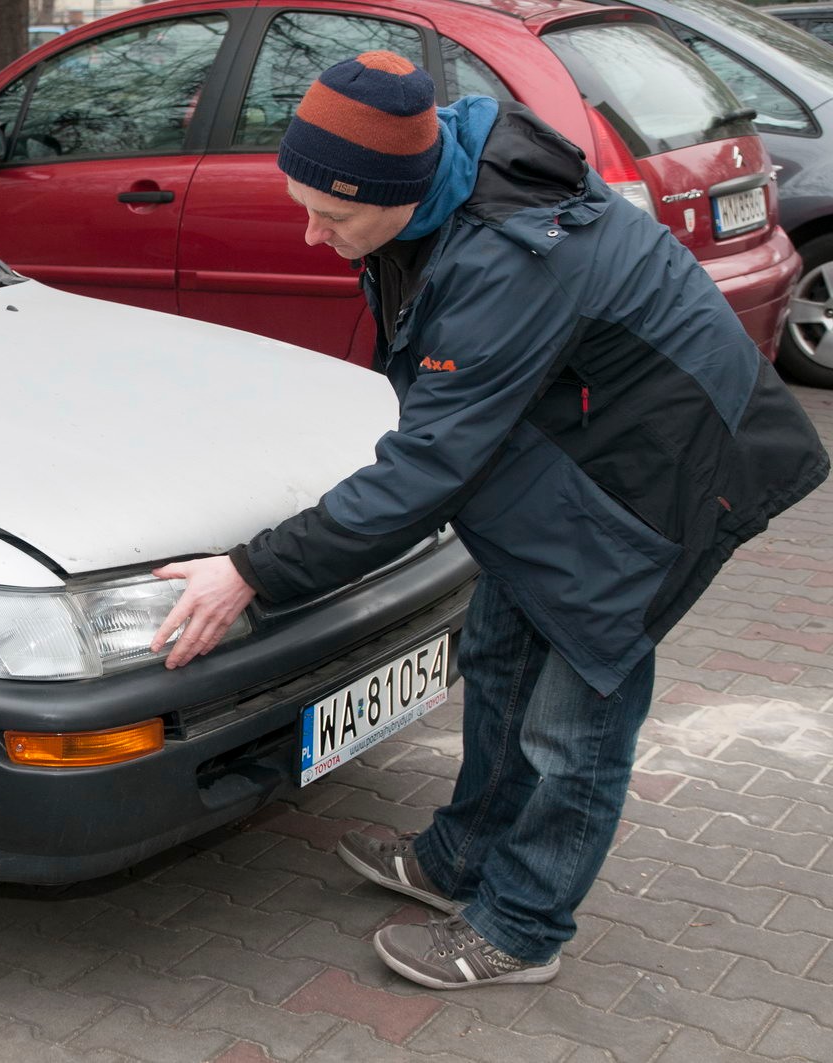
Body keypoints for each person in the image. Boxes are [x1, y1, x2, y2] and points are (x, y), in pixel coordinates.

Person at [148, 51, 829, 990]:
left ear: (394, 192)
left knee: (573, 719)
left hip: (663, 480)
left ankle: (521, 925)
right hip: (567, 454)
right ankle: (459, 859)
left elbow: (429, 468)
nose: (312, 235)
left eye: (333, 216)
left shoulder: (512, 258)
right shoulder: (438, 178)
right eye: (304, 205)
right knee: (501, 658)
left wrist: (251, 570)